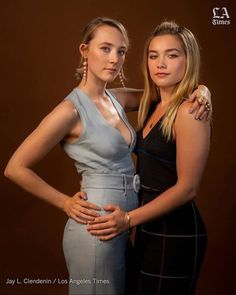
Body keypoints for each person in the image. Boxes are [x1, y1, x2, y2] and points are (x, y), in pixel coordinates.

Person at [4, 17, 211, 295]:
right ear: (84, 50)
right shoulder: (70, 110)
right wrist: (65, 202)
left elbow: (168, 94)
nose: (114, 58)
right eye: (105, 48)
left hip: (129, 225)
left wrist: (202, 90)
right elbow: (15, 167)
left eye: (121, 51)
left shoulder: (117, 99)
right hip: (99, 225)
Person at [86, 21, 211, 295]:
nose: (161, 63)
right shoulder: (151, 103)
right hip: (146, 225)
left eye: (172, 55)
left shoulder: (191, 112)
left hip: (175, 230)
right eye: (153, 55)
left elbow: (188, 188)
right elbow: (100, 96)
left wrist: (128, 219)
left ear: (188, 60)